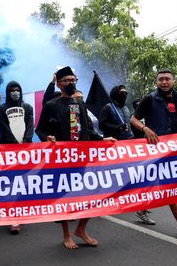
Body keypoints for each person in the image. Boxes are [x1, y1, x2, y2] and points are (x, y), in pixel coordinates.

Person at [36, 66, 111, 250]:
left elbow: (88, 130)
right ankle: (67, 235)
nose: (71, 83)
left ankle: (81, 229)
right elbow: (40, 129)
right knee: (65, 198)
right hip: (61, 161)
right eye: (67, 81)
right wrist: (48, 138)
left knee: (91, 195)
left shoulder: (80, 104)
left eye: (73, 80)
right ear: (59, 84)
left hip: (82, 158)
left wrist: (103, 139)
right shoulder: (51, 105)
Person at [130, 69, 177, 241]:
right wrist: (145, 129)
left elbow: (176, 124)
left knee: (155, 184)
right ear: (157, 82)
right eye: (161, 79)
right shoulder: (150, 98)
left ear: (173, 81)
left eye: (167, 79)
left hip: (175, 149)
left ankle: (141, 209)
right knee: (171, 186)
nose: (164, 82)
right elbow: (134, 119)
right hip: (157, 150)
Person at [0, 80, 34, 235]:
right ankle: (12, 217)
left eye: (18, 89)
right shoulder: (1, 108)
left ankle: (21, 211)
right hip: (7, 150)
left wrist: (25, 141)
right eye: (13, 90)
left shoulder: (28, 107)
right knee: (10, 182)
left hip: (24, 150)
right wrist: (13, 144)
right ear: (8, 92)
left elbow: (30, 125)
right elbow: (3, 128)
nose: (15, 92)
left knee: (23, 182)